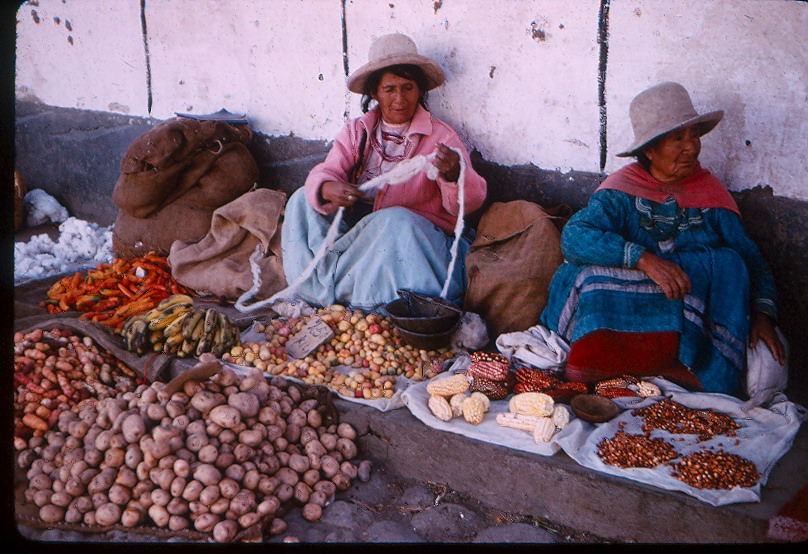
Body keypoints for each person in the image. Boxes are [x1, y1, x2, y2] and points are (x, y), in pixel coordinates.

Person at [540, 81, 785, 395]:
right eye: (677, 138)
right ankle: (599, 365)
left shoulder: (711, 195)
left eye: (694, 135)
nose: (691, 147)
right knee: (586, 275)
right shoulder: (620, 191)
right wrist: (644, 260)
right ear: (650, 150)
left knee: (729, 262)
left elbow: (752, 261)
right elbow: (574, 237)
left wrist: (763, 315)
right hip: (622, 311)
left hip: (693, 340)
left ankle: (688, 369)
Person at [281, 33, 486, 310]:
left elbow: (465, 206)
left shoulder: (441, 137)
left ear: (420, 90)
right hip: (361, 234)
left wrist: (453, 175)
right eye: (390, 89)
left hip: (411, 242)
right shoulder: (358, 131)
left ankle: (351, 290)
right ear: (374, 93)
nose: (400, 98)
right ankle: (318, 288)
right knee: (301, 201)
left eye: (408, 88)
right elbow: (329, 169)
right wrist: (328, 187)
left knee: (395, 221)